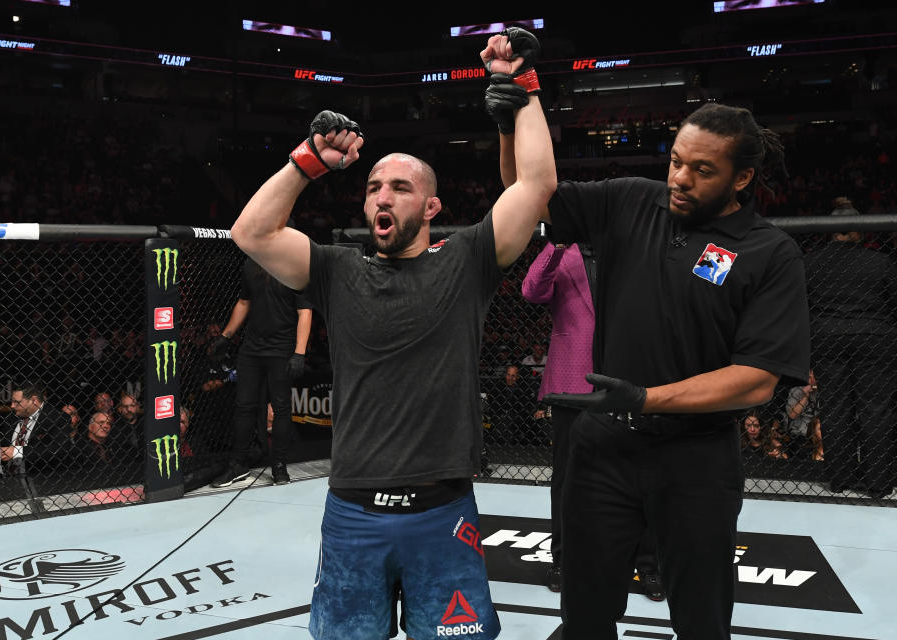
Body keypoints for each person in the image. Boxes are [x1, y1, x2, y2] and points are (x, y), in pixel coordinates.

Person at [230, 27, 555, 640]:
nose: (383, 195)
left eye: (400, 187)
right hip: (354, 509)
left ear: (430, 208)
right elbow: (252, 233)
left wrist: (521, 84)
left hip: (442, 508)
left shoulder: (467, 261)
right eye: (375, 185)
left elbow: (534, 188)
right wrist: (307, 162)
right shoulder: (335, 269)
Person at [527, 102, 810, 639]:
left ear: (741, 178)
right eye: (676, 161)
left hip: (695, 458)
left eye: (703, 170)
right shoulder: (632, 199)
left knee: (701, 620)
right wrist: (518, 105)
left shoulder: (769, 252)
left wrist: (645, 398)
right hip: (602, 450)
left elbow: (757, 377)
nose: (680, 178)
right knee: (583, 615)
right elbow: (534, 193)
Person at [805, 200, 897, 498]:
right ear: (859, 231)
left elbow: (801, 305)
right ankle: (878, 482)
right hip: (874, 336)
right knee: (876, 410)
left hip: (827, 337)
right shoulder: (880, 262)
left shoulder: (811, 262)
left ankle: (839, 478)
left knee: (834, 407)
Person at [520, 239, 595, 593]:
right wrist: (557, 245)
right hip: (571, 379)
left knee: (634, 474)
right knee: (567, 478)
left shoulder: (626, 245)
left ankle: (644, 562)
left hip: (625, 375)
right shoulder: (566, 253)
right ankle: (563, 560)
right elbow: (531, 289)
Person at [209, 257, 312, 487]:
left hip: (281, 347)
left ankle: (279, 465)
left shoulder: (295, 266)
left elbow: (305, 312)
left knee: (281, 407)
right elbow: (244, 302)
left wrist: (299, 353)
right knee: (244, 406)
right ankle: (238, 465)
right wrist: (226, 335)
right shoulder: (250, 264)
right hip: (252, 347)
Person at [0, 382, 73, 477]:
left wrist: (17, 452)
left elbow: (59, 449)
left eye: (17, 402)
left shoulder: (57, 418)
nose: (12, 406)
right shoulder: (12, 417)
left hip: (41, 479)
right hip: (8, 479)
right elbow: (4, 443)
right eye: (12, 401)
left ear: (33, 400)